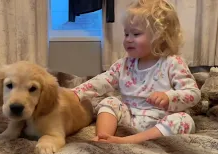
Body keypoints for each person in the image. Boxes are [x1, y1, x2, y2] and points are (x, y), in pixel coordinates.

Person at [71, 0, 201, 144]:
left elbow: (193, 94)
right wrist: (76, 93)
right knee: (109, 101)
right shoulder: (124, 64)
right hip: (131, 117)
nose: (128, 40)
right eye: (126, 34)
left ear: (160, 37)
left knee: (184, 120)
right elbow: (102, 81)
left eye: (136, 34)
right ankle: (103, 137)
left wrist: (169, 97)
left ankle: (128, 141)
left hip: (160, 122)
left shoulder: (172, 62)